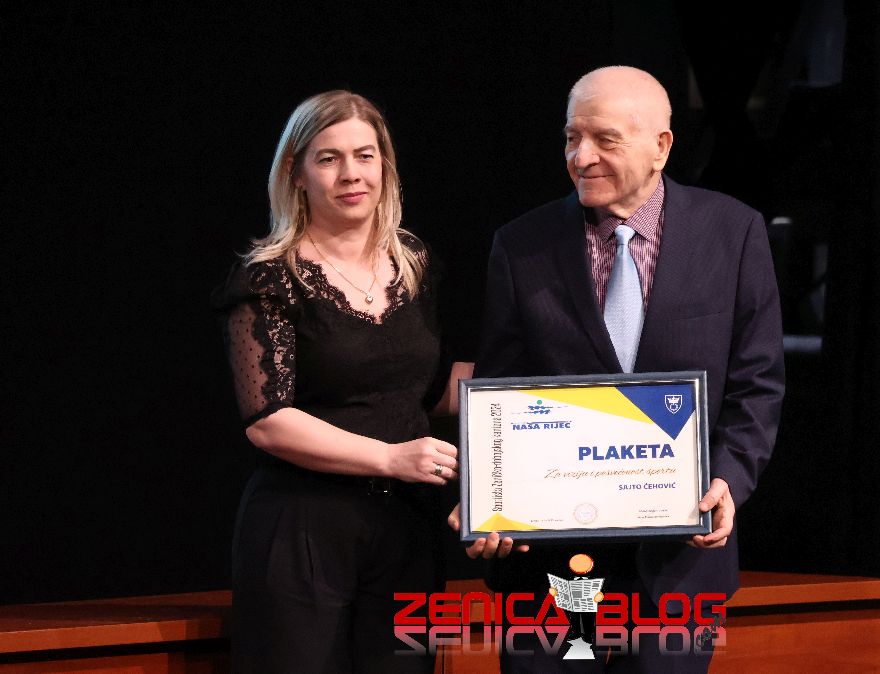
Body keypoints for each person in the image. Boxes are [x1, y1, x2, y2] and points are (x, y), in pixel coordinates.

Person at [450, 66, 785, 672]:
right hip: (548, 571)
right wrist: (489, 499)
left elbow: (757, 384)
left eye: (605, 139)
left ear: (661, 146)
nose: (582, 157)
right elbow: (502, 393)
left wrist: (729, 480)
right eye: (571, 138)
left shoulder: (733, 232)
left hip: (679, 564)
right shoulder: (522, 245)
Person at [215, 90, 467, 673]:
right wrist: (389, 458)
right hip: (304, 528)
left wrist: (540, 391)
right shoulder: (268, 278)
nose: (351, 174)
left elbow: (426, 390)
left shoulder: (414, 262)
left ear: (385, 165)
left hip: (407, 525)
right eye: (328, 159)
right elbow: (268, 421)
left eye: (364, 155)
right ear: (296, 173)